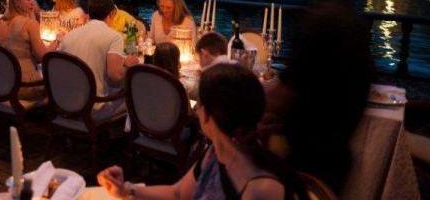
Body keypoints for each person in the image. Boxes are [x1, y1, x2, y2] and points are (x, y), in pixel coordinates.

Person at [265, 0, 373, 192]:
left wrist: (244, 96)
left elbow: (286, 95)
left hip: (305, 163)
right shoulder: (352, 15)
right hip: (336, 158)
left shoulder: (319, 19)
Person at [98, 64, 299, 200]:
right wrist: (126, 190)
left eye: (199, 104)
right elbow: (177, 193)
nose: (196, 110)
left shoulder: (261, 188)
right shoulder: (216, 153)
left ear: (207, 116)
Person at [59, 0, 139, 118]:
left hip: (65, 101)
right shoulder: (114, 36)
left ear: (88, 13)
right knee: (136, 97)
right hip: (93, 106)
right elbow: (116, 76)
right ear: (112, 13)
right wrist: (128, 64)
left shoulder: (69, 35)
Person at [0, 0, 59, 100]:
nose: (33, 2)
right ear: (16, 2)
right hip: (24, 85)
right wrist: (58, 40)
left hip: (2, 82)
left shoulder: (0, 22)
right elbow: (42, 57)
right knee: (60, 83)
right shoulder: (29, 24)